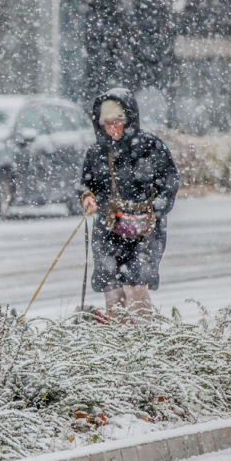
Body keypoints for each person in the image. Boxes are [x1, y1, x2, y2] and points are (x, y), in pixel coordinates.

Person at [79, 89, 179, 322]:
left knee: (135, 287)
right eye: (107, 123)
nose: (113, 128)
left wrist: (155, 208)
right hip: (108, 226)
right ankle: (118, 347)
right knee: (112, 291)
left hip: (145, 229)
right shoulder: (96, 153)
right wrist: (87, 197)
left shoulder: (151, 147)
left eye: (118, 122)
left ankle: (143, 342)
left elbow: (169, 181)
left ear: (130, 118)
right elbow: (86, 183)